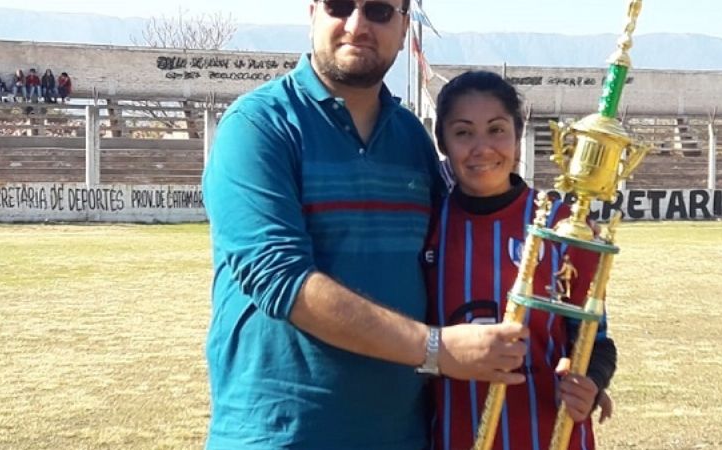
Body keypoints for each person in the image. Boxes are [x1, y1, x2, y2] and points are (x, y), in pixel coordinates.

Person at [202, 2, 530, 449]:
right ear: (313, 12)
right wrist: (436, 349)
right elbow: (281, 280)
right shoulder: (258, 126)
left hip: (405, 435)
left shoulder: (412, 138)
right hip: (281, 434)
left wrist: (581, 362)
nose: (357, 26)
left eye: (378, 10)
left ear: (403, 25)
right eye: (340, 6)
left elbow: (460, 258)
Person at [423, 70, 617, 450]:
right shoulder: (427, 225)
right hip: (455, 435)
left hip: (551, 434)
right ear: (442, 142)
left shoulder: (565, 227)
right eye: (463, 132)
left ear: (517, 136)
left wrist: (590, 383)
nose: (482, 148)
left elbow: (597, 341)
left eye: (496, 129)